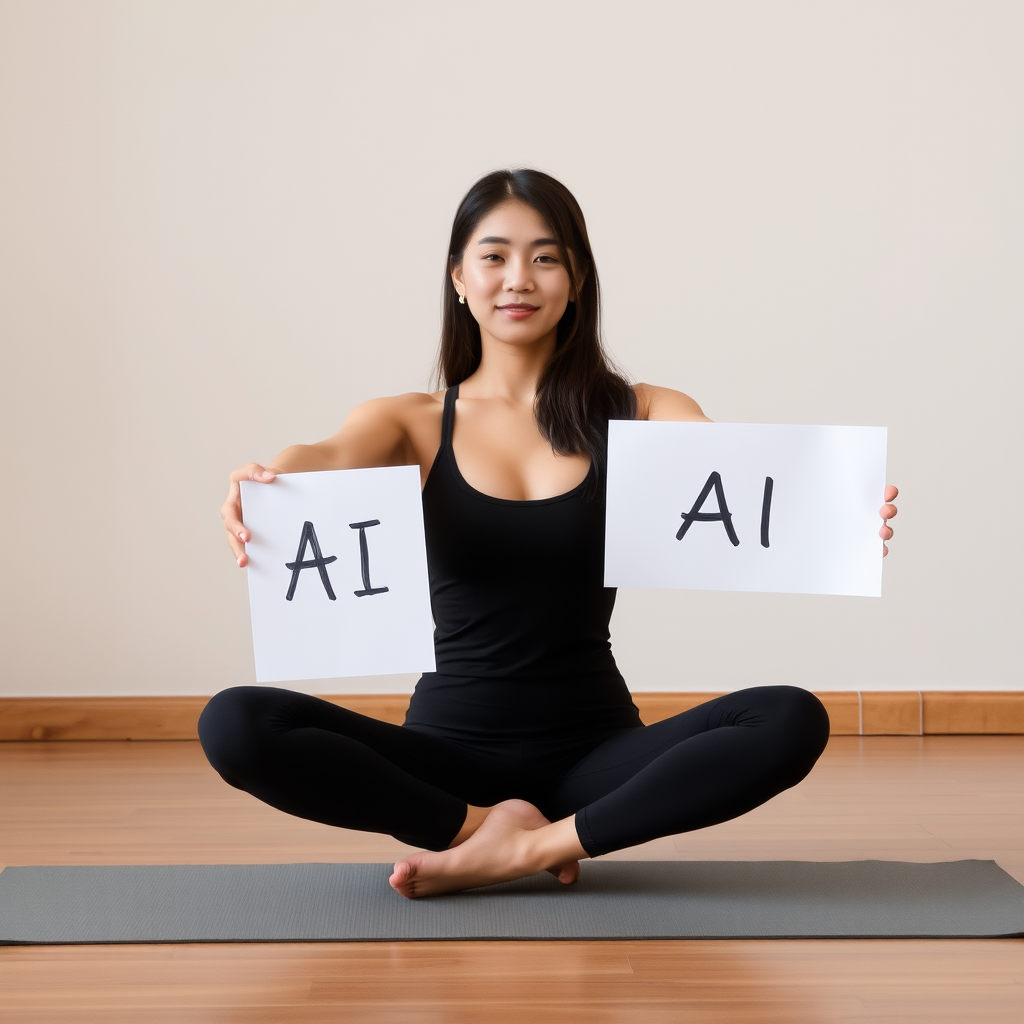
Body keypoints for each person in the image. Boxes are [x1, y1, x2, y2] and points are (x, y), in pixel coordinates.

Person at [199, 169, 899, 899]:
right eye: (494, 256)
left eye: (545, 257)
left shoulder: (643, 409)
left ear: (576, 278)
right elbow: (324, 457)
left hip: (595, 756)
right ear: (459, 277)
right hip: (447, 753)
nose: (518, 279)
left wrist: (828, 514)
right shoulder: (407, 420)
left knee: (790, 716)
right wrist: (267, 480)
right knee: (235, 723)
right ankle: (477, 831)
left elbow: (739, 474)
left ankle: (533, 845)